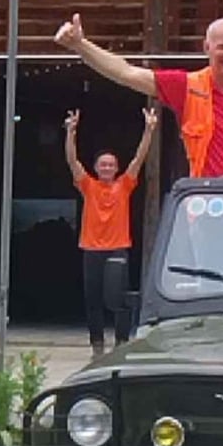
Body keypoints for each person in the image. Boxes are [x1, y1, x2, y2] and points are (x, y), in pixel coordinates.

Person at [53, 12, 223, 287]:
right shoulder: (188, 87)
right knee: (218, 295)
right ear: (207, 48)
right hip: (215, 215)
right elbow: (126, 73)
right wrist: (81, 45)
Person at [64, 106, 158, 356]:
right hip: (91, 249)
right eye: (103, 165)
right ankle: (97, 346)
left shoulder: (125, 184)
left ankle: (121, 343)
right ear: (96, 168)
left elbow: (139, 159)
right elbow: (72, 161)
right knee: (92, 300)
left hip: (117, 248)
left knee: (119, 300)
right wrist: (71, 133)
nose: (106, 168)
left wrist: (149, 130)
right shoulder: (88, 185)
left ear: (116, 168)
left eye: (111, 165)